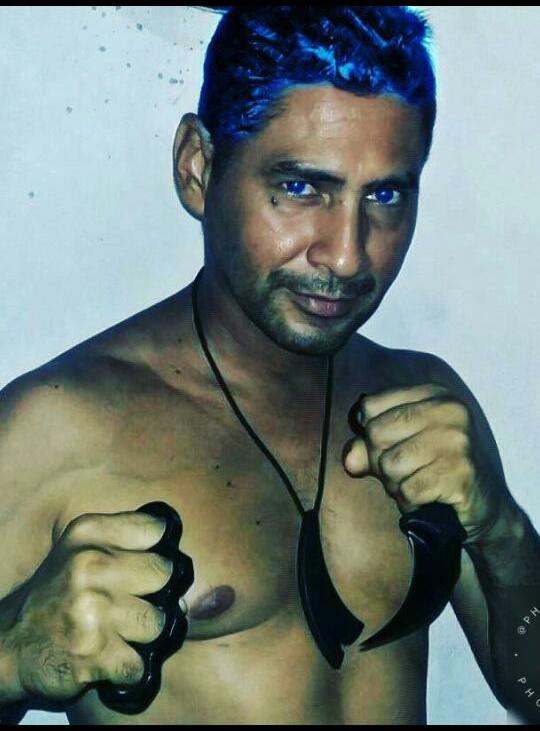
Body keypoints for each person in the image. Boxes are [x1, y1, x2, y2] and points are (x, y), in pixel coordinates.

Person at [0, 5, 539, 725]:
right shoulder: (57, 427)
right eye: (302, 188)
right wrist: (10, 657)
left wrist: (501, 530)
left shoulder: (426, 398)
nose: (346, 255)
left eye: (384, 196)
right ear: (198, 167)